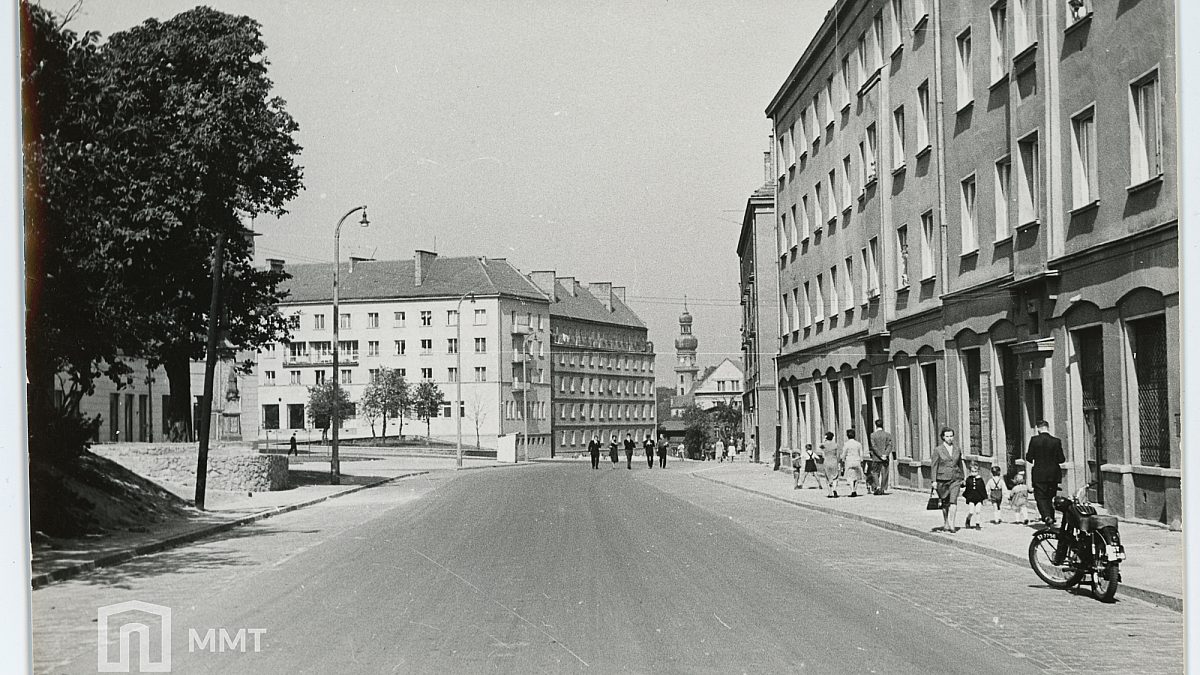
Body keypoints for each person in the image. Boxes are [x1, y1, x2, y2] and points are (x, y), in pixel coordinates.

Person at [1025, 420, 1066, 526]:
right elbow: (1061, 459)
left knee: (1040, 497)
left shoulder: (1034, 440)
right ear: (1047, 428)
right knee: (1051, 496)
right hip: (1053, 474)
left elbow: (1029, 458)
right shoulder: (1056, 441)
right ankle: (1051, 517)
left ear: (1038, 428)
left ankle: (1046, 516)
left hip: (1039, 474)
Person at [930, 427, 968, 533]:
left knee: (953, 501)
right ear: (943, 437)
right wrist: (934, 481)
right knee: (945, 502)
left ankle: (952, 524)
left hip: (955, 478)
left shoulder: (957, 449)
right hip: (942, 479)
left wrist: (963, 478)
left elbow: (960, 464)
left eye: (951, 436)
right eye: (947, 436)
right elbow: (934, 466)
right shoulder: (938, 450)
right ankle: (946, 521)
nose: (950, 438)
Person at [868, 419, 894, 495]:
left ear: (876, 425)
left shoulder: (873, 435)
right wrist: (885, 454)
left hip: (876, 458)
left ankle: (877, 486)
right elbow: (890, 445)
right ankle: (883, 488)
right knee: (885, 473)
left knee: (875, 472)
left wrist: (880, 455)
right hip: (885, 458)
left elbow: (874, 446)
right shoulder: (887, 434)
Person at [962, 461, 988, 529]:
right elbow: (966, 487)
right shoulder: (968, 479)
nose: (974, 473)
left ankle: (977, 524)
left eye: (975, 471)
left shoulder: (980, 480)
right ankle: (968, 520)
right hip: (971, 498)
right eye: (972, 471)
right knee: (971, 512)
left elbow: (983, 489)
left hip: (979, 498)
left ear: (978, 471)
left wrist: (985, 498)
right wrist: (962, 485)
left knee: (978, 511)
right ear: (970, 471)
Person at [840, 429, 865, 497]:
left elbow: (844, 453)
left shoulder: (846, 444)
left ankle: (852, 490)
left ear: (847, 436)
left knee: (850, 477)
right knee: (857, 476)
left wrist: (842, 459)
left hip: (849, 461)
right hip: (857, 461)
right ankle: (855, 489)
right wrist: (861, 460)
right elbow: (861, 453)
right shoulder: (858, 444)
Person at [818, 432, 841, 498]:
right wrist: (838, 461)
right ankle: (834, 489)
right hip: (834, 461)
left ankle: (830, 493)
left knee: (828, 477)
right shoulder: (835, 445)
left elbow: (820, 446)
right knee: (835, 477)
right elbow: (838, 454)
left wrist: (824, 440)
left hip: (827, 461)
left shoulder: (824, 445)